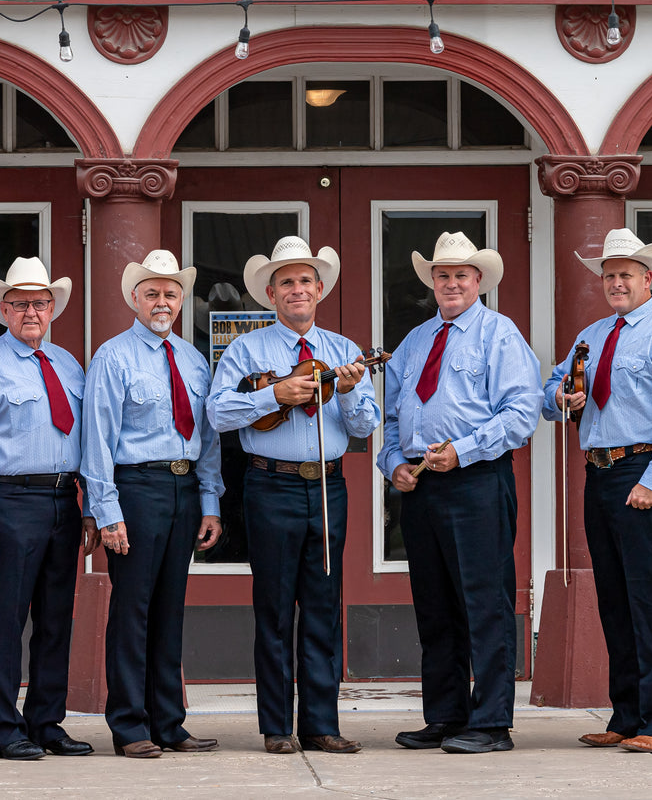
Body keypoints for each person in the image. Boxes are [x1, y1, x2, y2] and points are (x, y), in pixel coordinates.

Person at [207, 236, 378, 755]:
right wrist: (272, 394)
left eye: (305, 280)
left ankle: (322, 723)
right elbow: (217, 414)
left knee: (324, 605)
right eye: (287, 282)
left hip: (326, 482)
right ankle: (277, 726)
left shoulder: (345, 351)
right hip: (270, 482)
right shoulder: (245, 350)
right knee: (275, 607)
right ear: (270, 293)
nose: (297, 289)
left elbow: (367, 426)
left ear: (320, 289)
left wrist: (348, 394)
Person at [380, 232, 541, 755]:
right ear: (432, 281)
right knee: (435, 604)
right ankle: (446, 715)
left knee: (485, 601)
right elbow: (390, 415)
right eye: (443, 275)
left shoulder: (500, 335)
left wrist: (465, 450)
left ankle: (492, 722)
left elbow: (521, 412)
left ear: (479, 282)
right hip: (422, 487)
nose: (451, 283)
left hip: (477, 481)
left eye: (461, 276)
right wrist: (393, 464)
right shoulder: (416, 340)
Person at [543, 227, 652, 754]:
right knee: (614, 598)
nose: (615, 283)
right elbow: (553, 392)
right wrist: (562, 395)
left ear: (647, 278)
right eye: (609, 275)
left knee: (651, 600)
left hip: (644, 470)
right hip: (599, 470)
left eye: (625, 275)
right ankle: (627, 714)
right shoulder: (591, 335)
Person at [0, 257, 97, 761]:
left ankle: (47, 722)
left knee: (56, 620)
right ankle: (4, 729)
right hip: (7, 501)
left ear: (53, 308)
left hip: (62, 500)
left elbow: (90, 443)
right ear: (3, 310)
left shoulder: (69, 364)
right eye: (21, 304)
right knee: (6, 621)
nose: (31, 311)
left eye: (40, 302)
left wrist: (91, 507)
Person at [82, 250, 225, 759]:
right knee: (132, 612)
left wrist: (210, 502)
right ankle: (129, 725)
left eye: (170, 293)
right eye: (152, 293)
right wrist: (107, 512)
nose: (161, 301)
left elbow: (207, 439)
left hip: (185, 491)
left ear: (181, 300)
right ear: (134, 300)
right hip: (136, 491)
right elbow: (96, 441)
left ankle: (169, 722)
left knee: (170, 611)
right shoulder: (113, 357)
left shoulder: (193, 358)